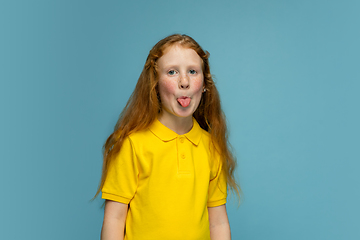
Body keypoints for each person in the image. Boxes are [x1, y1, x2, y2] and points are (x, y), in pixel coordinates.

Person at [94, 34, 240, 240]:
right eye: (172, 72)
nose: (184, 81)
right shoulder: (133, 144)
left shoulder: (212, 147)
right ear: (154, 83)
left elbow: (218, 221)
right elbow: (114, 219)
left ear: (205, 83)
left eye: (192, 71)